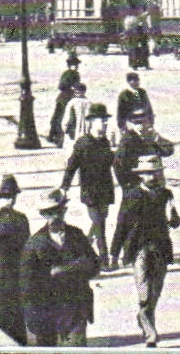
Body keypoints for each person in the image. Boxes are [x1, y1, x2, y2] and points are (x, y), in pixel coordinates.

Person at [111, 154, 180, 347]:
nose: (152, 177)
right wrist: (114, 253)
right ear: (141, 175)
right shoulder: (132, 194)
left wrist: (172, 214)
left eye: (155, 173)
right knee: (144, 291)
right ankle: (150, 331)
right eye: (148, 174)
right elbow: (122, 224)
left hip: (160, 247)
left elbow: (175, 223)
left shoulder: (166, 195)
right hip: (139, 248)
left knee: (155, 292)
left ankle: (144, 317)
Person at [19, 189, 100, 347]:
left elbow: (94, 265)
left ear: (64, 210)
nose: (54, 216)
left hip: (75, 308)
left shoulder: (77, 236)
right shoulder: (34, 244)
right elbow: (26, 285)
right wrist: (31, 315)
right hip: (46, 311)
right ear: (43, 214)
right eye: (49, 213)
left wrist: (66, 269)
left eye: (57, 211)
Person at [61, 104, 116, 265]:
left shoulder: (105, 142)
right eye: (102, 121)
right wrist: (64, 187)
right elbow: (71, 166)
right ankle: (104, 259)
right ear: (91, 121)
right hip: (90, 191)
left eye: (106, 121)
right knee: (100, 224)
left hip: (105, 191)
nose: (105, 124)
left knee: (98, 224)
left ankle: (82, 250)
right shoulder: (83, 143)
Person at [0, 175, 30, 343]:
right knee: (0, 300)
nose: (9, 201)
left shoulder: (21, 218)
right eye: (5, 197)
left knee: (14, 299)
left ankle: (15, 336)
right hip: (1, 263)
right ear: (0, 198)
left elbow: (28, 244)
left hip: (16, 262)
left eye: (11, 197)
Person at [49, 53, 83, 146]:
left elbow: (60, 86)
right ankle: (65, 137)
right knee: (70, 118)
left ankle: (53, 136)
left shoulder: (65, 73)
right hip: (70, 98)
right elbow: (77, 86)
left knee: (58, 117)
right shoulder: (76, 74)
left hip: (61, 97)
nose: (77, 66)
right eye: (76, 64)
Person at [117, 71, 154, 135]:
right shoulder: (124, 95)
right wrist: (121, 126)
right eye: (134, 81)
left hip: (144, 119)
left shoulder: (141, 92)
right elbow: (120, 111)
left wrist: (151, 121)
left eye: (137, 80)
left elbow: (148, 107)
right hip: (131, 121)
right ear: (129, 82)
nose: (137, 82)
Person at [60, 83, 92, 152]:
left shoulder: (72, 102)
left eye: (78, 90)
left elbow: (67, 118)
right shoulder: (89, 102)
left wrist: (65, 127)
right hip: (85, 131)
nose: (76, 92)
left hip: (74, 130)